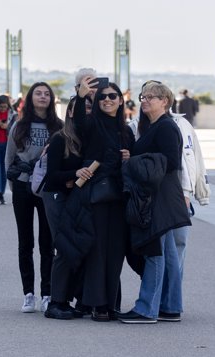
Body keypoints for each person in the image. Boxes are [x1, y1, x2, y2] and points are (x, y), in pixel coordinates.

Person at [119, 80, 191, 324]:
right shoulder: (154, 127)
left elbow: (171, 161)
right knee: (168, 254)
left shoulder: (165, 127)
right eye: (143, 96)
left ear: (165, 101)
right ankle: (170, 306)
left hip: (159, 198)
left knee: (154, 252)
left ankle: (147, 308)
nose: (145, 100)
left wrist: (133, 160)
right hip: (162, 196)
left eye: (152, 97)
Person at [73, 77, 135, 322]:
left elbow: (137, 158)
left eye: (112, 96)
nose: (107, 100)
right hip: (96, 196)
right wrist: (81, 97)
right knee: (97, 250)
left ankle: (111, 303)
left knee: (115, 252)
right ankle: (97, 304)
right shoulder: (92, 124)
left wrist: (131, 156)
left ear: (121, 101)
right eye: (102, 97)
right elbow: (78, 122)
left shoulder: (126, 131)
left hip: (119, 198)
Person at [5, 82, 63, 314]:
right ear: (30, 98)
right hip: (22, 186)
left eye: (46, 94)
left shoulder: (58, 126)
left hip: (47, 188)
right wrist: (14, 185)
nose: (42, 97)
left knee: (47, 243)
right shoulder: (19, 126)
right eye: (38, 93)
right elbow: (9, 157)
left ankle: (47, 292)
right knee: (25, 241)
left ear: (52, 99)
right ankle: (28, 293)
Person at [42, 96, 89, 320]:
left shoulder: (84, 138)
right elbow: (52, 175)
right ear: (70, 112)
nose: (86, 112)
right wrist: (74, 175)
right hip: (55, 196)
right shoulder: (60, 138)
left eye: (90, 108)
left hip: (71, 197)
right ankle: (55, 302)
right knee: (63, 246)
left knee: (73, 248)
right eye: (82, 108)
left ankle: (66, 299)